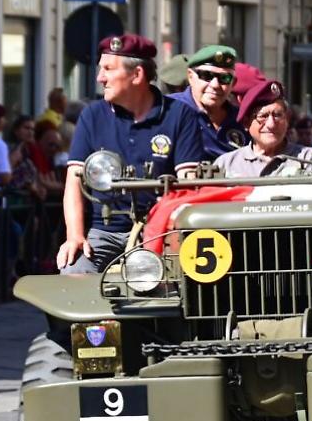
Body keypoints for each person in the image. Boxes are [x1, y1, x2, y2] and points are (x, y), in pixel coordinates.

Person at [57, 33, 203, 273]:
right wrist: (75, 236)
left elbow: (189, 183)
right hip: (104, 232)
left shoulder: (179, 115)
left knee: (178, 287)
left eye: (108, 69)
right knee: (73, 275)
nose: (100, 78)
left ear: (137, 75)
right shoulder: (93, 115)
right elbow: (74, 180)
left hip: (161, 232)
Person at [215, 80, 312, 177]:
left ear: (287, 120)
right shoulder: (227, 164)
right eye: (262, 116)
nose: (271, 124)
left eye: (277, 115)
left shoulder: (310, 159)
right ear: (246, 123)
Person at [172, 44, 250, 160]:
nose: (215, 85)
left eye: (225, 78)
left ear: (233, 83)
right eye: (206, 75)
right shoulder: (170, 110)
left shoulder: (242, 120)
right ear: (190, 76)